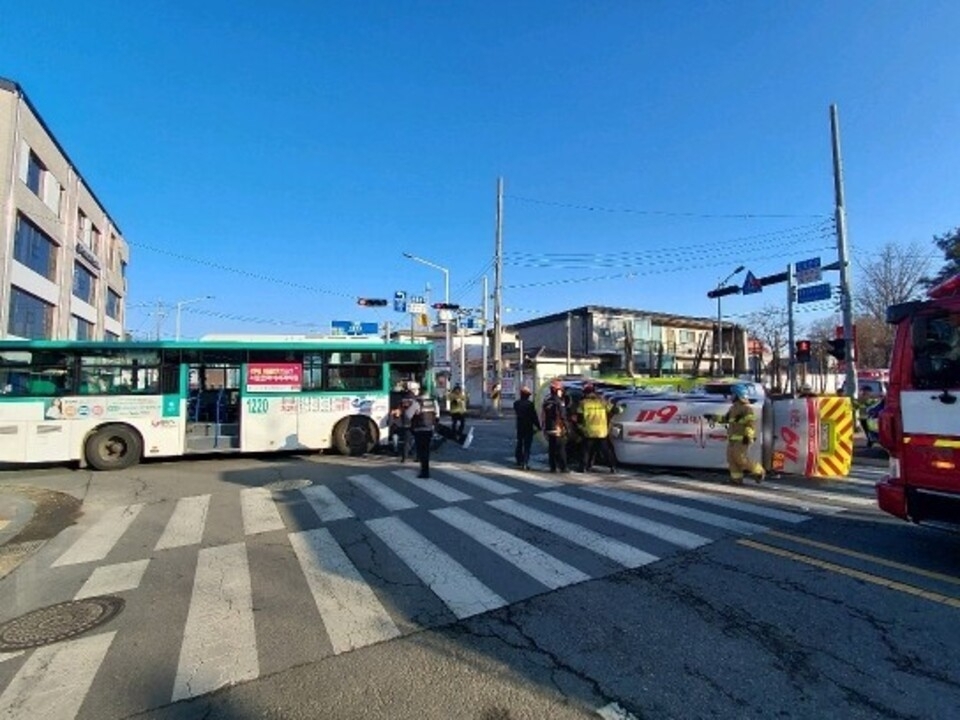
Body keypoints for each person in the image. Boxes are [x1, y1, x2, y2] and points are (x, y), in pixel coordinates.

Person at [722, 384, 765, 485]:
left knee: (740, 458)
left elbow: (751, 424)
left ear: (738, 395)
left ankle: (759, 471)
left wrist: (748, 436)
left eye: (733, 394)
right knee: (731, 459)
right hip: (732, 439)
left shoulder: (747, 408)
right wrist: (713, 417)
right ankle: (736, 479)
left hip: (742, 439)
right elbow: (726, 419)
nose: (731, 396)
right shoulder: (733, 408)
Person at [578, 383, 616, 474]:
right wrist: (622, 408)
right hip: (602, 432)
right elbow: (614, 410)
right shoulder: (602, 401)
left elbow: (579, 418)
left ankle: (584, 467)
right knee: (606, 451)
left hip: (589, 431)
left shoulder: (583, 403)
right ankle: (612, 467)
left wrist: (580, 428)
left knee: (586, 451)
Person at [540, 380, 569, 473]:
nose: (561, 392)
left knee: (551, 449)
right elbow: (563, 416)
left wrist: (543, 427)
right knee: (561, 449)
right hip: (558, 428)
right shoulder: (559, 402)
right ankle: (563, 467)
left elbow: (543, 415)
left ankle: (552, 467)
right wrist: (567, 428)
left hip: (549, 428)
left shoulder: (547, 401)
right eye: (560, 390)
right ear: (557, 390)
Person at [410, 390, 439, 478]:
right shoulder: (433, 402)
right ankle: (426, 470)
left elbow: (409, 415)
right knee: (426, 450)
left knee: (421, 450)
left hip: (419, 429)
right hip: (429, 429)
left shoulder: (417, 403)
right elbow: (437, 415)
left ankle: (424, 471)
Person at [513, 386, 541, 469]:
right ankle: (525, 462)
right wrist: (539, 426)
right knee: (527, 445)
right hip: (528, 426)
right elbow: (534, 417)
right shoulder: (530, 405)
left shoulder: (516, 403)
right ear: (527, 395)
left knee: (519, 443)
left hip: (520, 426)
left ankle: (518, 460)